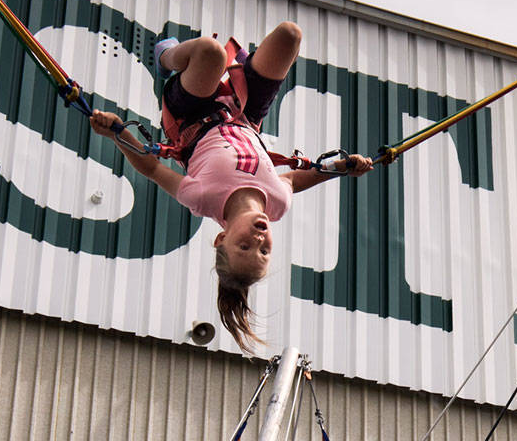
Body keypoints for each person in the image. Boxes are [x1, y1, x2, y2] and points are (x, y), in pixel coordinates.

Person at [89, 21, 372, 352]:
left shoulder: (203, 198)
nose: (257, 241)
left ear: (222, 238)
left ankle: (165, 56)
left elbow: (151, 167)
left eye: (244, 247)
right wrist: (341, 168)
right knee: (290, 35)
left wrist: (116, 133)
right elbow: (294, 178)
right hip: (245, 114)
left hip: (190, 116)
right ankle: (225, 63)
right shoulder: (278, 203)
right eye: (264, 250)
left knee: (208, 52)